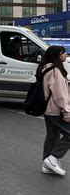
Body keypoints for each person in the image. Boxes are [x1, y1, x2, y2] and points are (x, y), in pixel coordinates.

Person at [38, 45, 70, 176]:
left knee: (52, 135)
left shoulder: (45, 67)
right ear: (57, 55)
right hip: (55, 108)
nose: (65, 55)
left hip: (48, 108)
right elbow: (59, 93)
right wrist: (66, 110)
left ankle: (47, 165)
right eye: (63, 53)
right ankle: (52, 158)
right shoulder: (55, 70)